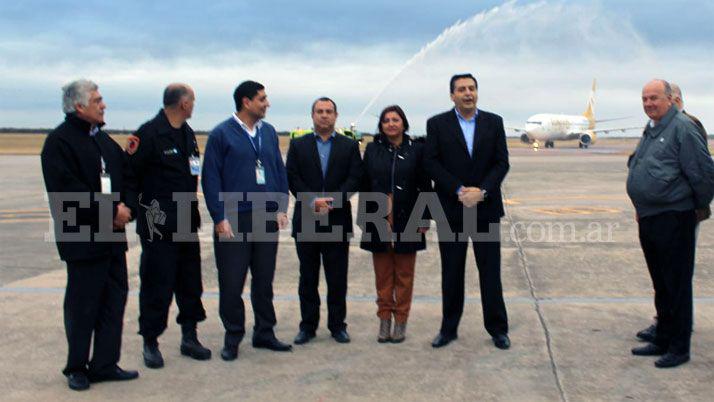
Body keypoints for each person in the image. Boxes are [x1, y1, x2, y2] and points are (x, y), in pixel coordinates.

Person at [41, 79, 138, 390]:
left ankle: (105, 363)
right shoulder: (60, 142)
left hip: (111, 240)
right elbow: (66, 191)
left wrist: (128, 209)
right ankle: (77, 367)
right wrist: (111, 212)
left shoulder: (104, 142)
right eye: (97, 100)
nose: (103, 104)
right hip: (83, 240)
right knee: (83, 306)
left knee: (114, 302)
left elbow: (125, 176)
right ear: (79, 106)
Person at [201, 80, 291, 361]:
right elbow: (211, 178)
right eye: (262, 99)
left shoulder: (269, 132)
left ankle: (265, 332)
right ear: (246, 101)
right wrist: (219, 217)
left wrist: (281, 206)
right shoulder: (221, 134)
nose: (267, 103)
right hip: (234, 217)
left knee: (264, 280)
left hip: (265, 215)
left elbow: (277, 169)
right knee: (232, 281)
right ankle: (233, 336)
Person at [627, 79, 714, 368]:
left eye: (654, 98)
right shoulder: (653, 128)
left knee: (676, 284)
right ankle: (662, 337)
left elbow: (702, 173)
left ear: (670, 99)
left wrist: (695, 208)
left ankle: (679, 347)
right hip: (650, 216)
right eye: (645, 99)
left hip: (674, 217)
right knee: (661, 283)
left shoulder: (684, 128)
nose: (649, 103)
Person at [125, 83, 211, 369]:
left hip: (185, 220)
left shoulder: (187, 135)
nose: (194, 105)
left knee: (190, 283)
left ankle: (190, 336)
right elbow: (130, 178)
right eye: (193, 101)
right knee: (156, 284)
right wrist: (142, 213)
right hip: (158, 224)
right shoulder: (148, 134)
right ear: (183, 104)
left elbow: (192, 175)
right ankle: (150, 340)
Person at [424, 73, 510, 350]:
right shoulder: (437, 124)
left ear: (477, 92)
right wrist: (460, 190)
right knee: (451, 272)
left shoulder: (494, 122)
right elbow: (432, 163)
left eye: (471, 88)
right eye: (461, 89)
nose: (467, 93)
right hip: (452, 208)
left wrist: (482, 191)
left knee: (490, 272)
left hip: (485, 209)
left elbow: (501, 163)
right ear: (452, 95)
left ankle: (497, 329)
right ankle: (449, 329)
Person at [286, 97, 363, 345]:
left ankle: (337, 325)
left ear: (336, 115)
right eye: (319, 111)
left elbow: (354, 179)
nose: (324, 116)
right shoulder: (298, 145)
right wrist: (311, 201)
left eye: (329, 111)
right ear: (312, 116)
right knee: (307, 277)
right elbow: (293, 178)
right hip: (307, 219)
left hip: (337, 219)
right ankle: (307, 326)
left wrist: (333, 201)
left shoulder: (348, 146)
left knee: (337, 277)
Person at [358, 105, 431, 343]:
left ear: (404, 123)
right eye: (386, 120)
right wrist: (365, 218)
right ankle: (384, 319)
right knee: (383, 275)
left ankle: (401, 321)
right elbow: (365, 184)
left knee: (404, 275)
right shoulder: (372, 149)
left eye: (395, 119)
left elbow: (425, 185)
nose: (391, 124)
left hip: (408, 217)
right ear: (380, 125)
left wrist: (424, 217)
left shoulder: (417, 150)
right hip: (379, 218)